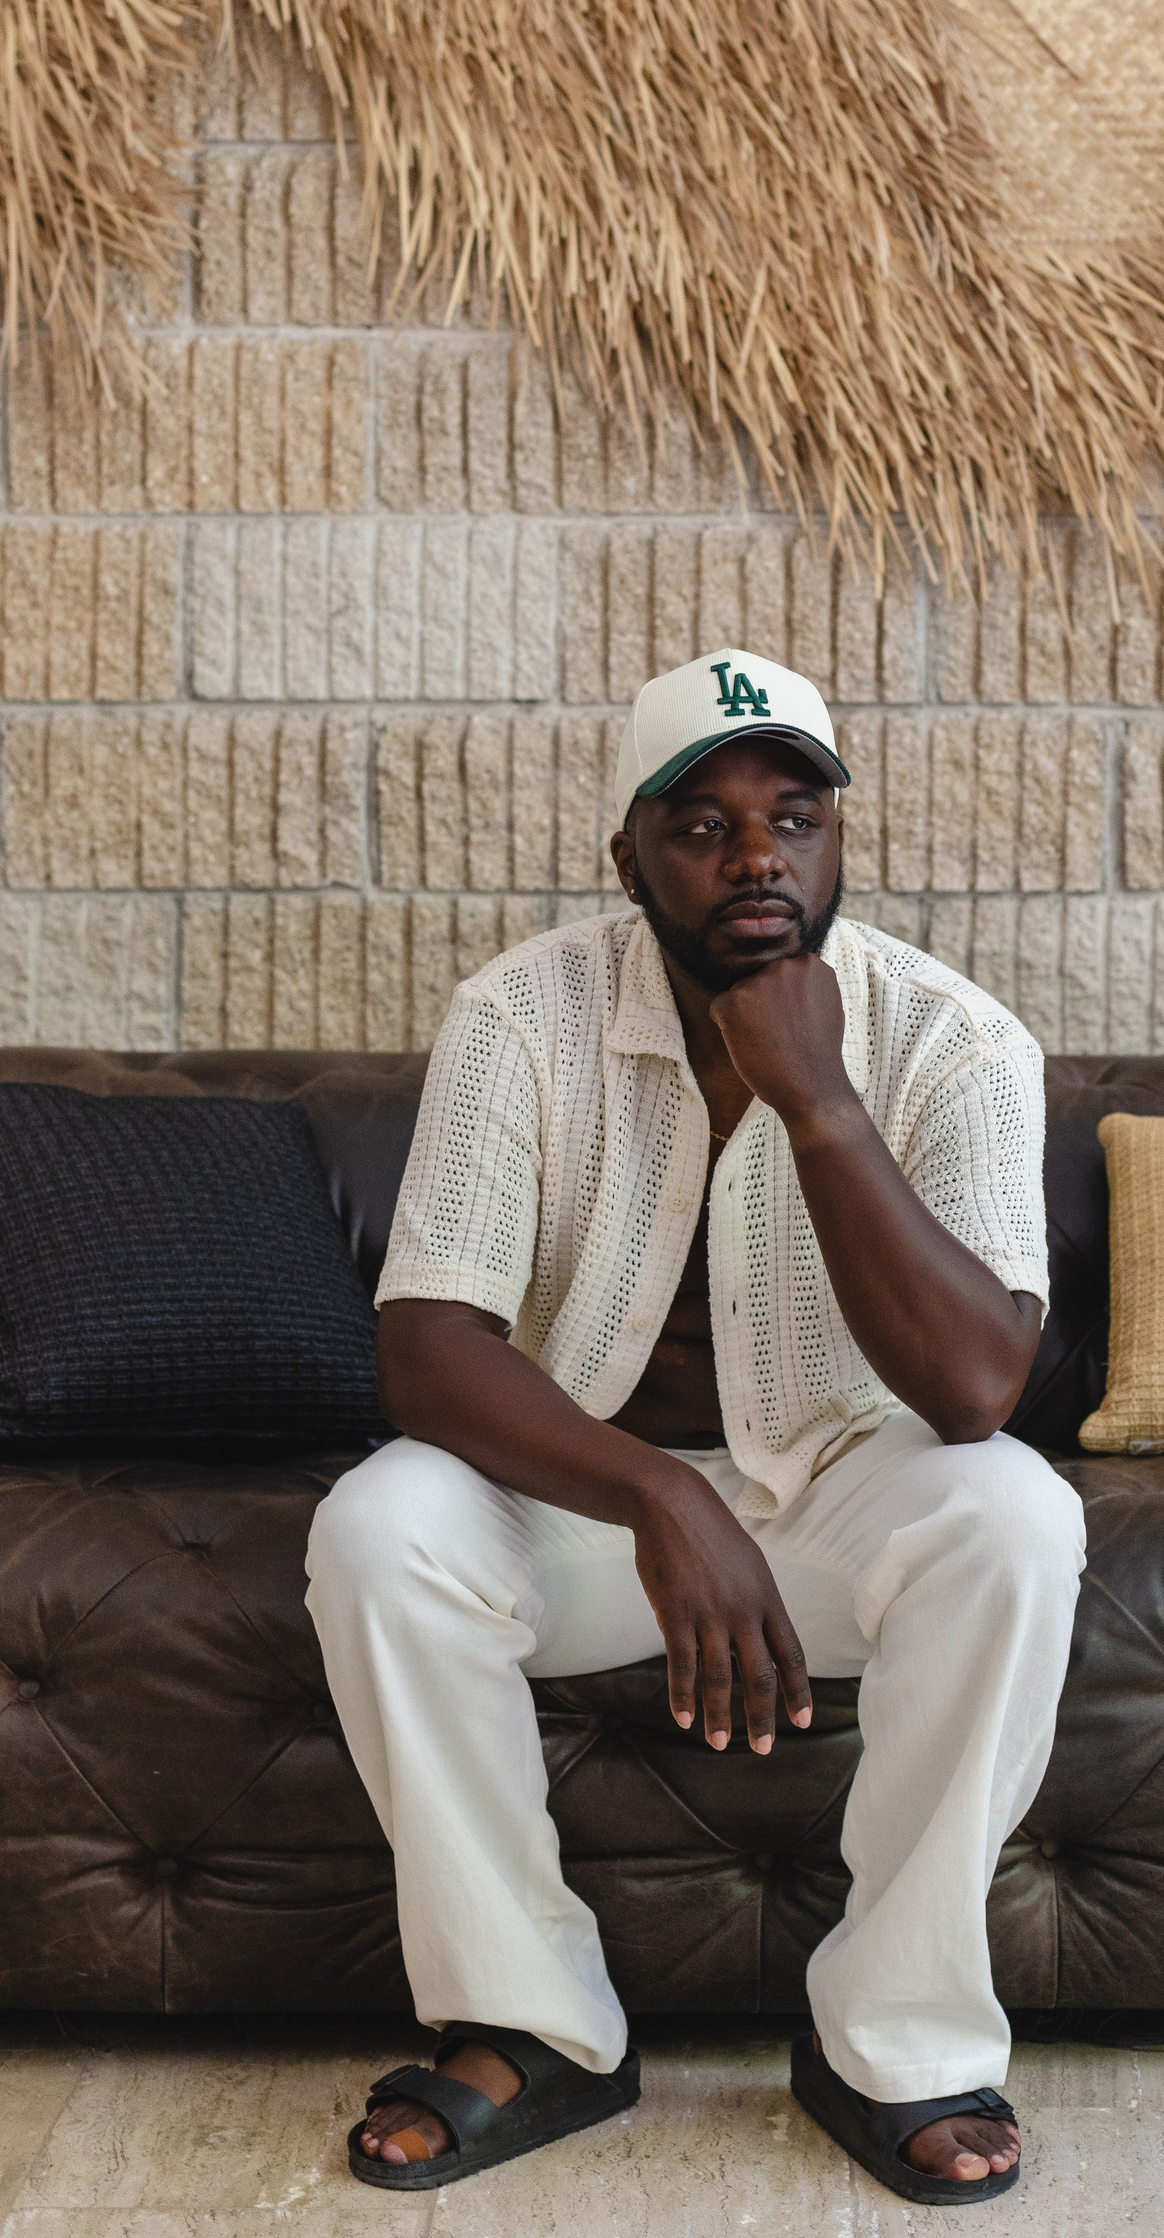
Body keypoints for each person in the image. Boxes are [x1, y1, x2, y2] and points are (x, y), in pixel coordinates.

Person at [306, 648, 1087, 2202]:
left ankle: (900, 2044)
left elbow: (977, 1389)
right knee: (378, 1529)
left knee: (1016, 1515)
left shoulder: (956, 1040)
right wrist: (667, 1498)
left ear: (839, 839)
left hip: (845, 1499)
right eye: (703, 824)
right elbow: (430, 1353)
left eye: (794, 819)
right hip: (588, 1509)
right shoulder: (519, 1014)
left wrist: (819, 1100)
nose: (756, 859)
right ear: (631, 857)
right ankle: (532, 2029)